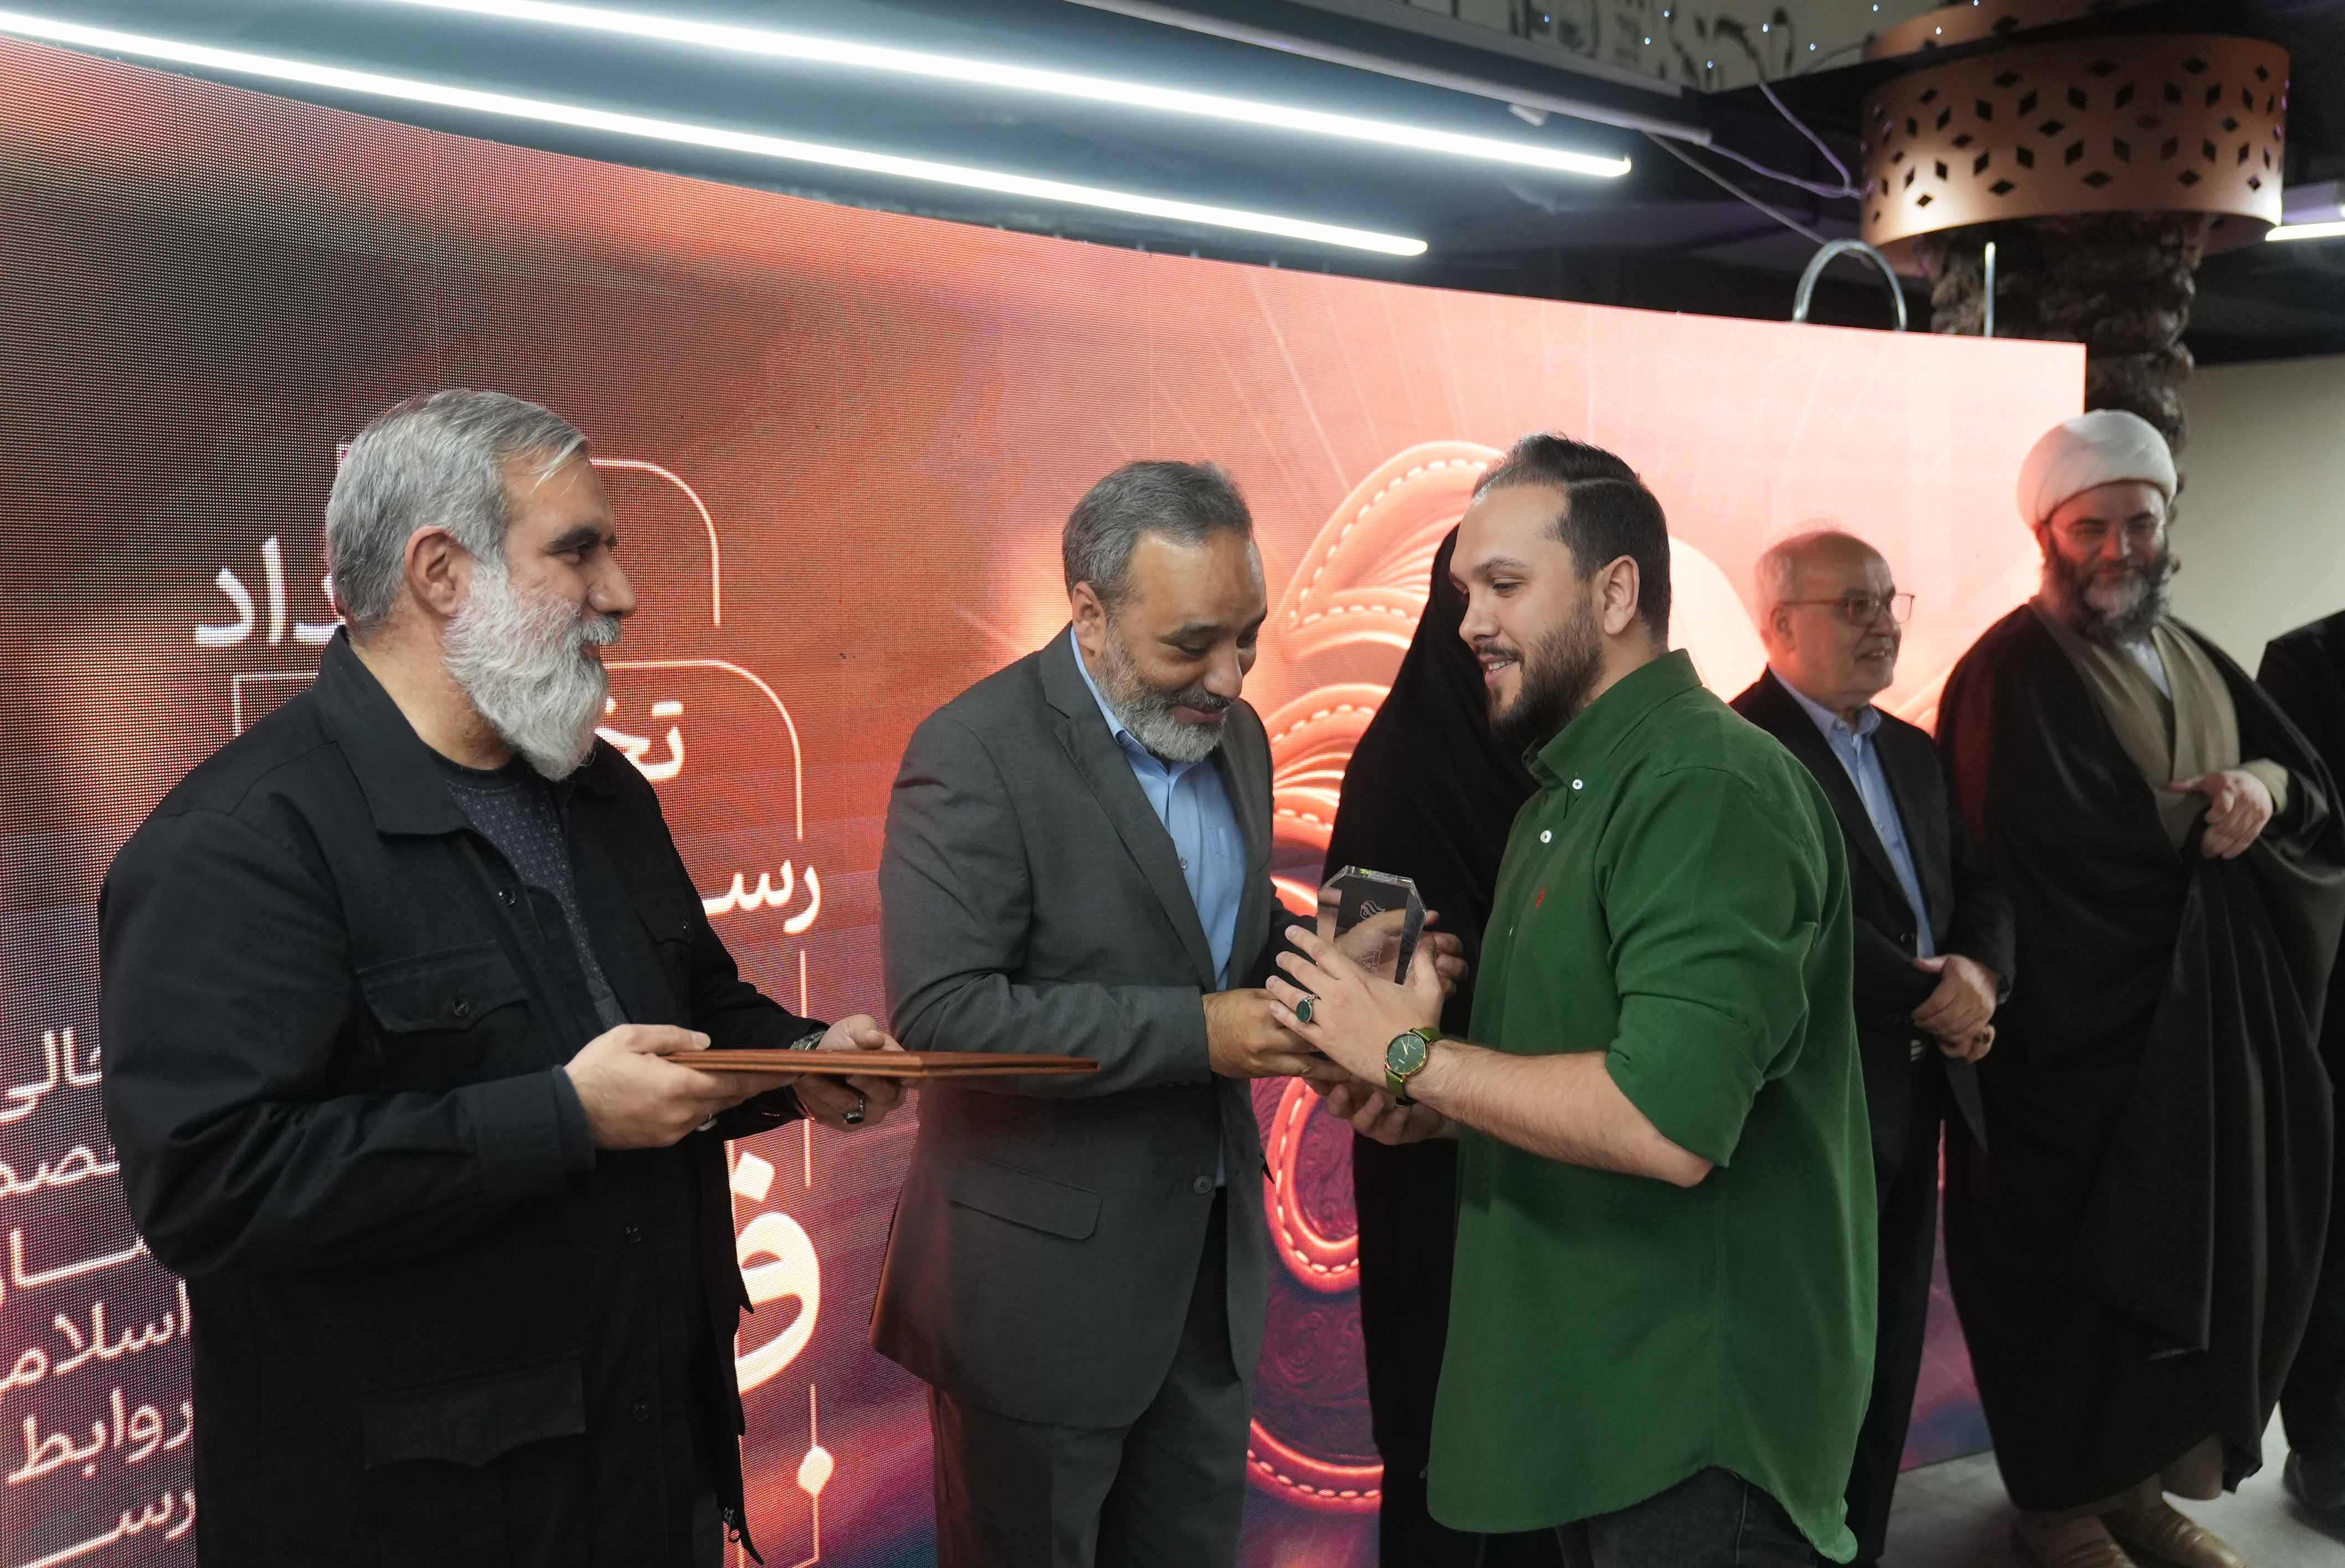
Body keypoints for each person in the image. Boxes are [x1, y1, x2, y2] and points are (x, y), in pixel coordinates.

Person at [99, 390, 904, 1568]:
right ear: (440, 573)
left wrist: (798, 1063)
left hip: (650, 1483)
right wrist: (565, 1117)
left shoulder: (602, 790)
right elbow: (211, 1190)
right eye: (578, 552)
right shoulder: (239, 843)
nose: (621, 594)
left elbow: (687, 1007)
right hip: (413, 1529)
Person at [1269, 434, 1876, 1566]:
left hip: (1691, 1422)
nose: (1469, 624)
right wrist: (1425, 1110)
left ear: (1616, 593)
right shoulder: (1565, 794)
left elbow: (1663, 1123)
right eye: (1462, 592)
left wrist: (1409, 1060)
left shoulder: (1703, 785)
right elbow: (1570, 1064)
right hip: (1596, 1402)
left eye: (1504, 585)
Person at [872, 460, 1461, 1568]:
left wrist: (1352, 970)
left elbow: (1228, 943)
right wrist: (1202, 1032)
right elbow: (943, 1016)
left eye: (1248, 637)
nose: (1230, 677)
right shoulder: (972, 752)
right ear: (1088, 614)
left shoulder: (1235, 736)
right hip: (1035, 1311)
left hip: (1205, 1288)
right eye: (1193, 644)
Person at [1936, 410, 2345, 1568]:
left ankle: (2136, 1496)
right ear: (2047, 535)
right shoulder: (2003, 674)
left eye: (2139, 524)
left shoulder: (2192, 652)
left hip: (2187, 1043)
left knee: (2159, 1288)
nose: (2117, 549)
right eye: (2092, 528)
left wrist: (2258, 786)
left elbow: (2305, 781)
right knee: (2066, 1285)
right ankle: (2057, 1506)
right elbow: (2009, 868)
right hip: (2057, 1057)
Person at [1731, 529, 2016, 1568]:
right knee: (1810, 1359)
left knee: (1892, 1355)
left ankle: (1865, 1549)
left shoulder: (1910, 748)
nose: (1882, 625)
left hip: (1921, 1102)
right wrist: (1931, 998)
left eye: (1889, 602)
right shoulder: (1741, 749)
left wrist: (1979, 975)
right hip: (1814, 1109)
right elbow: (1789, 921)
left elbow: (1976, 886)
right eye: (1854, 605)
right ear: (1780, 625)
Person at [1319, 529, 1558, 1568]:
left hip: (1577, 1191)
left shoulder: (1587, 767)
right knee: (1452, 1484)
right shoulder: (1396, 772)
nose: (1495, 623)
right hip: (1446, 1205)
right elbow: (1358, 1025)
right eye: (1481, 591)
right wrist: (1421, 997)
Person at [2258, 606, 2345, 1521]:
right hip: (2340, 996)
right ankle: (2328, 1452)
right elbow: (2298, 836)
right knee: (2339, 1234)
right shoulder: (2308, 663)